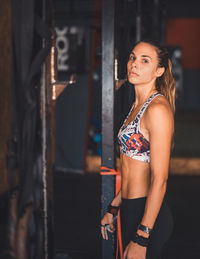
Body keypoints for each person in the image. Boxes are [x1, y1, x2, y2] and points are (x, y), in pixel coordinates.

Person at [101, 40, 175, 259]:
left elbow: (159, 179)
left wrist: (142, 236)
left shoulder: (157, 109)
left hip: (149, 217)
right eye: (132, 57)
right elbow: (135, 168)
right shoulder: (136, 106)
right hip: (130, 208)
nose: (134, 64)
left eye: (145, 60)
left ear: (159, 70)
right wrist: (113, 207)